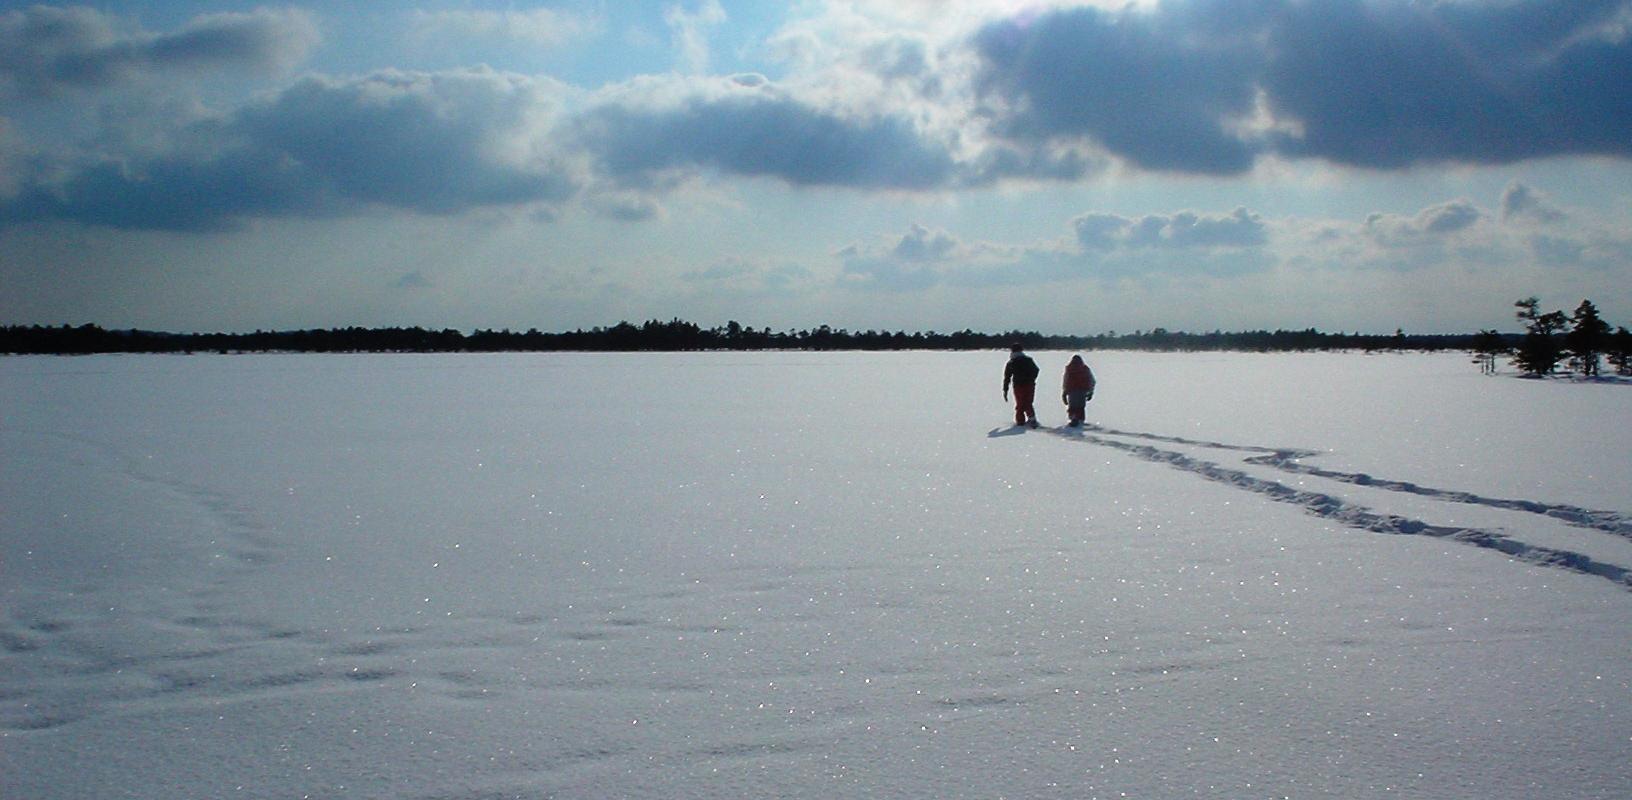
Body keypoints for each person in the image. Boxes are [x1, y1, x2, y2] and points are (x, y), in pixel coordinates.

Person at [1002, 344, 1041, 428]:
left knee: (1020, 403)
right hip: (1030, 385)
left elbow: (1007, 377)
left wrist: (1005, 390)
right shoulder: (1028, 360)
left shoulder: (1011, 362)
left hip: (1018, 386)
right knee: (1028, 402)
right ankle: (1032, 418)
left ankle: (1020, 421)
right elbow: (1036, 370)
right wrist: (1032, 379)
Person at [1061, 354, 1095, 427]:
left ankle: (1073, 418)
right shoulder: (1085, 369)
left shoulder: (1069, 369)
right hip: (1082, 391)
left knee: (1072, 406)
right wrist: (1091, 392)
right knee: (1080, 407)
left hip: (1071, 391)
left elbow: (1065, 380)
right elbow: (1092, 380)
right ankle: (1080, 420)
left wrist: (1064, 392)